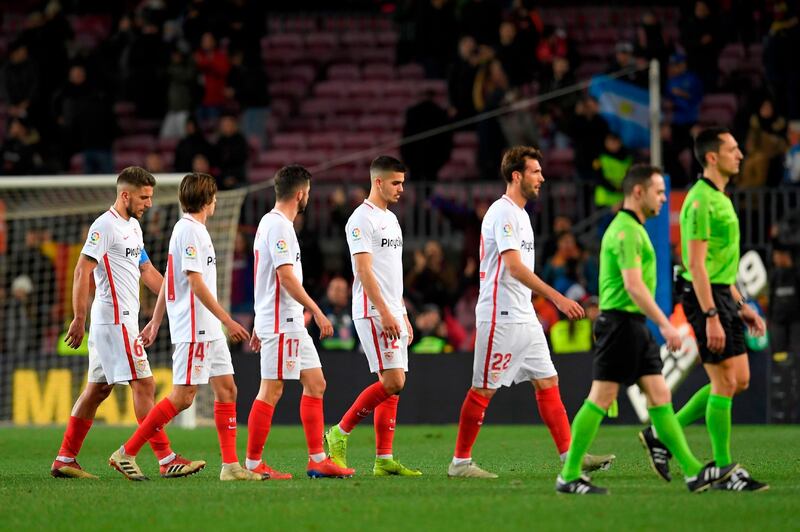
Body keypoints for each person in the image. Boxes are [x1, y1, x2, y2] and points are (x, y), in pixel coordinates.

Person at [555, 165, 737, 495]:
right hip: (620, 324)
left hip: (632, 326)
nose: (664, 198)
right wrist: (667, 325)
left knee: (660, 396)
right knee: (602, 397)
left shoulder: (634, 229)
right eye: (659, 192)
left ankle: (694, 472)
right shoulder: (625, 231)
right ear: (638, 192)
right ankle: (569, 476)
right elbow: (634, 286)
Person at [447, 146, 614, 478]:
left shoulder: (521, 214)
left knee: (547, 380)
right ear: (517, 175)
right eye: (536, 172)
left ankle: (571, 456)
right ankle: (460, 463)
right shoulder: (503, 212)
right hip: (500, 315)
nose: (542, 178)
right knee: (483, 389)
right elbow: (513, 267)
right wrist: (557, 298)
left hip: (523, 315)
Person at [52, 167, 203, 480]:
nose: (148, 203)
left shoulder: (133, 227)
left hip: (121, 321)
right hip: (114, 320)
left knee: (97, 389)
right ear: (125, 195)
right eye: (144, 197)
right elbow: (82, 270)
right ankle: (166, 458)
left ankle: (65, 458)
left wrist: (176, 295)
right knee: (145, 384)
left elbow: (146, 270)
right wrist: (79, 317)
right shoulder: (104, 226)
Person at [643, 127, 769, 491]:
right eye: (733, 149)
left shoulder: (721, 197)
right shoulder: (699, 200)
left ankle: (662, 433)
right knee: (724, 381)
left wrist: (741, 304)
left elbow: (719, 263)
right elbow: (696, 264)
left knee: (738, 379)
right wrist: (712, 314)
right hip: (703, 297)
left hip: (720, 293)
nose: (741, 154)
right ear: (712, 157)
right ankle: (724, 470)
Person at [109, 172, 257, 481]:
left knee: (227, 389)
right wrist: (227, 319)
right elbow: (193, 281)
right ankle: (127, 452)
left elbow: (169, 277)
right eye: (214, 197)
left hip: (207, 328)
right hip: (195, 327)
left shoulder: (190, 230)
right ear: (208, 200)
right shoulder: (191, 231)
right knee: (184, 396)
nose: (216, 202)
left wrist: (155, 319)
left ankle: (230, 466)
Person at [246, 165, 354, 479]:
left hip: (285, 319)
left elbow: (263, 278)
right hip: (282, 321)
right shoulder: (279, 226)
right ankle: (253, 464)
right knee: (271, 390)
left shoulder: (273, 224)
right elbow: (284, 278)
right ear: (300, 193)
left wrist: (256, 319)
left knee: (316, 382)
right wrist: (317, 310)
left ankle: (317, 459)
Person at [324, 156, 422, 477]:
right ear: (378, 182)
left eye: (403, 182)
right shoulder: (359, 220)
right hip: (371, 310)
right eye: (396, 182)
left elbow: (392, 273)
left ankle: (383, 459)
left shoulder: (391, 219)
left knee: (391, 384)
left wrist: (402, 312)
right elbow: (364, 270)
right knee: (394, 381)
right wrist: (384, 310)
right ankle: (340, 432)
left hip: (392, 310)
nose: (401, 189)